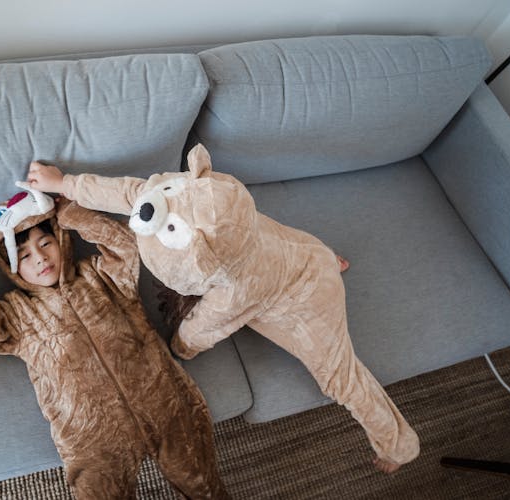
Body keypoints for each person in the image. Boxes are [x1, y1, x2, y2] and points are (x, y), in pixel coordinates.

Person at [27, 157, 418, 475]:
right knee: (287, 241)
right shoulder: (186, 190)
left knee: (339, 376)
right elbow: (127, 191)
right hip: (293, 247)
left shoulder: (233, 290)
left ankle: (399, 446)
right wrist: (64, 184)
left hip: (304, 298)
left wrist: (180, 346)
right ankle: (327, 259)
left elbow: (204, 329)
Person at [0, 189, 230, 499]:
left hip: (163, 400)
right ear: (13, 266)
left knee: (206, 488)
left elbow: (124, 245)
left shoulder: (98, 275)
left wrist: (72, 215)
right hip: (91, 436)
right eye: (24, 255)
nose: (40, 258)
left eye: (46, 243)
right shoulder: (16, 314)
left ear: (62, 242)